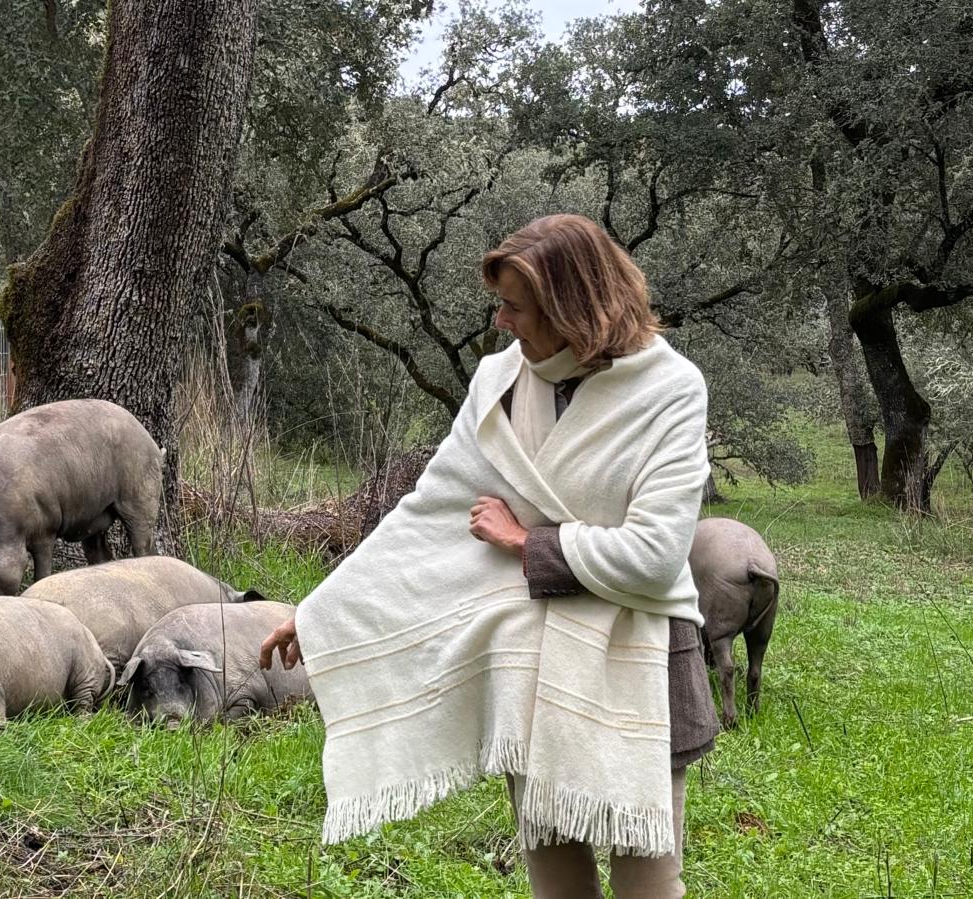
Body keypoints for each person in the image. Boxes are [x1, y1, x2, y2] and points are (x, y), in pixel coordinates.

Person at [260, 213, 718, 899]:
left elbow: (654, 555)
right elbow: (428, 508)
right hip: (532, 652)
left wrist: (527, 541)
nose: (501, 321)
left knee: (648, 884)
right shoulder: (501, 382)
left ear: (574, 309)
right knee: (556, 882)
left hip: (641, 658)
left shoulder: (669, 390)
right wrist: (322, 611)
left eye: (516, 306)